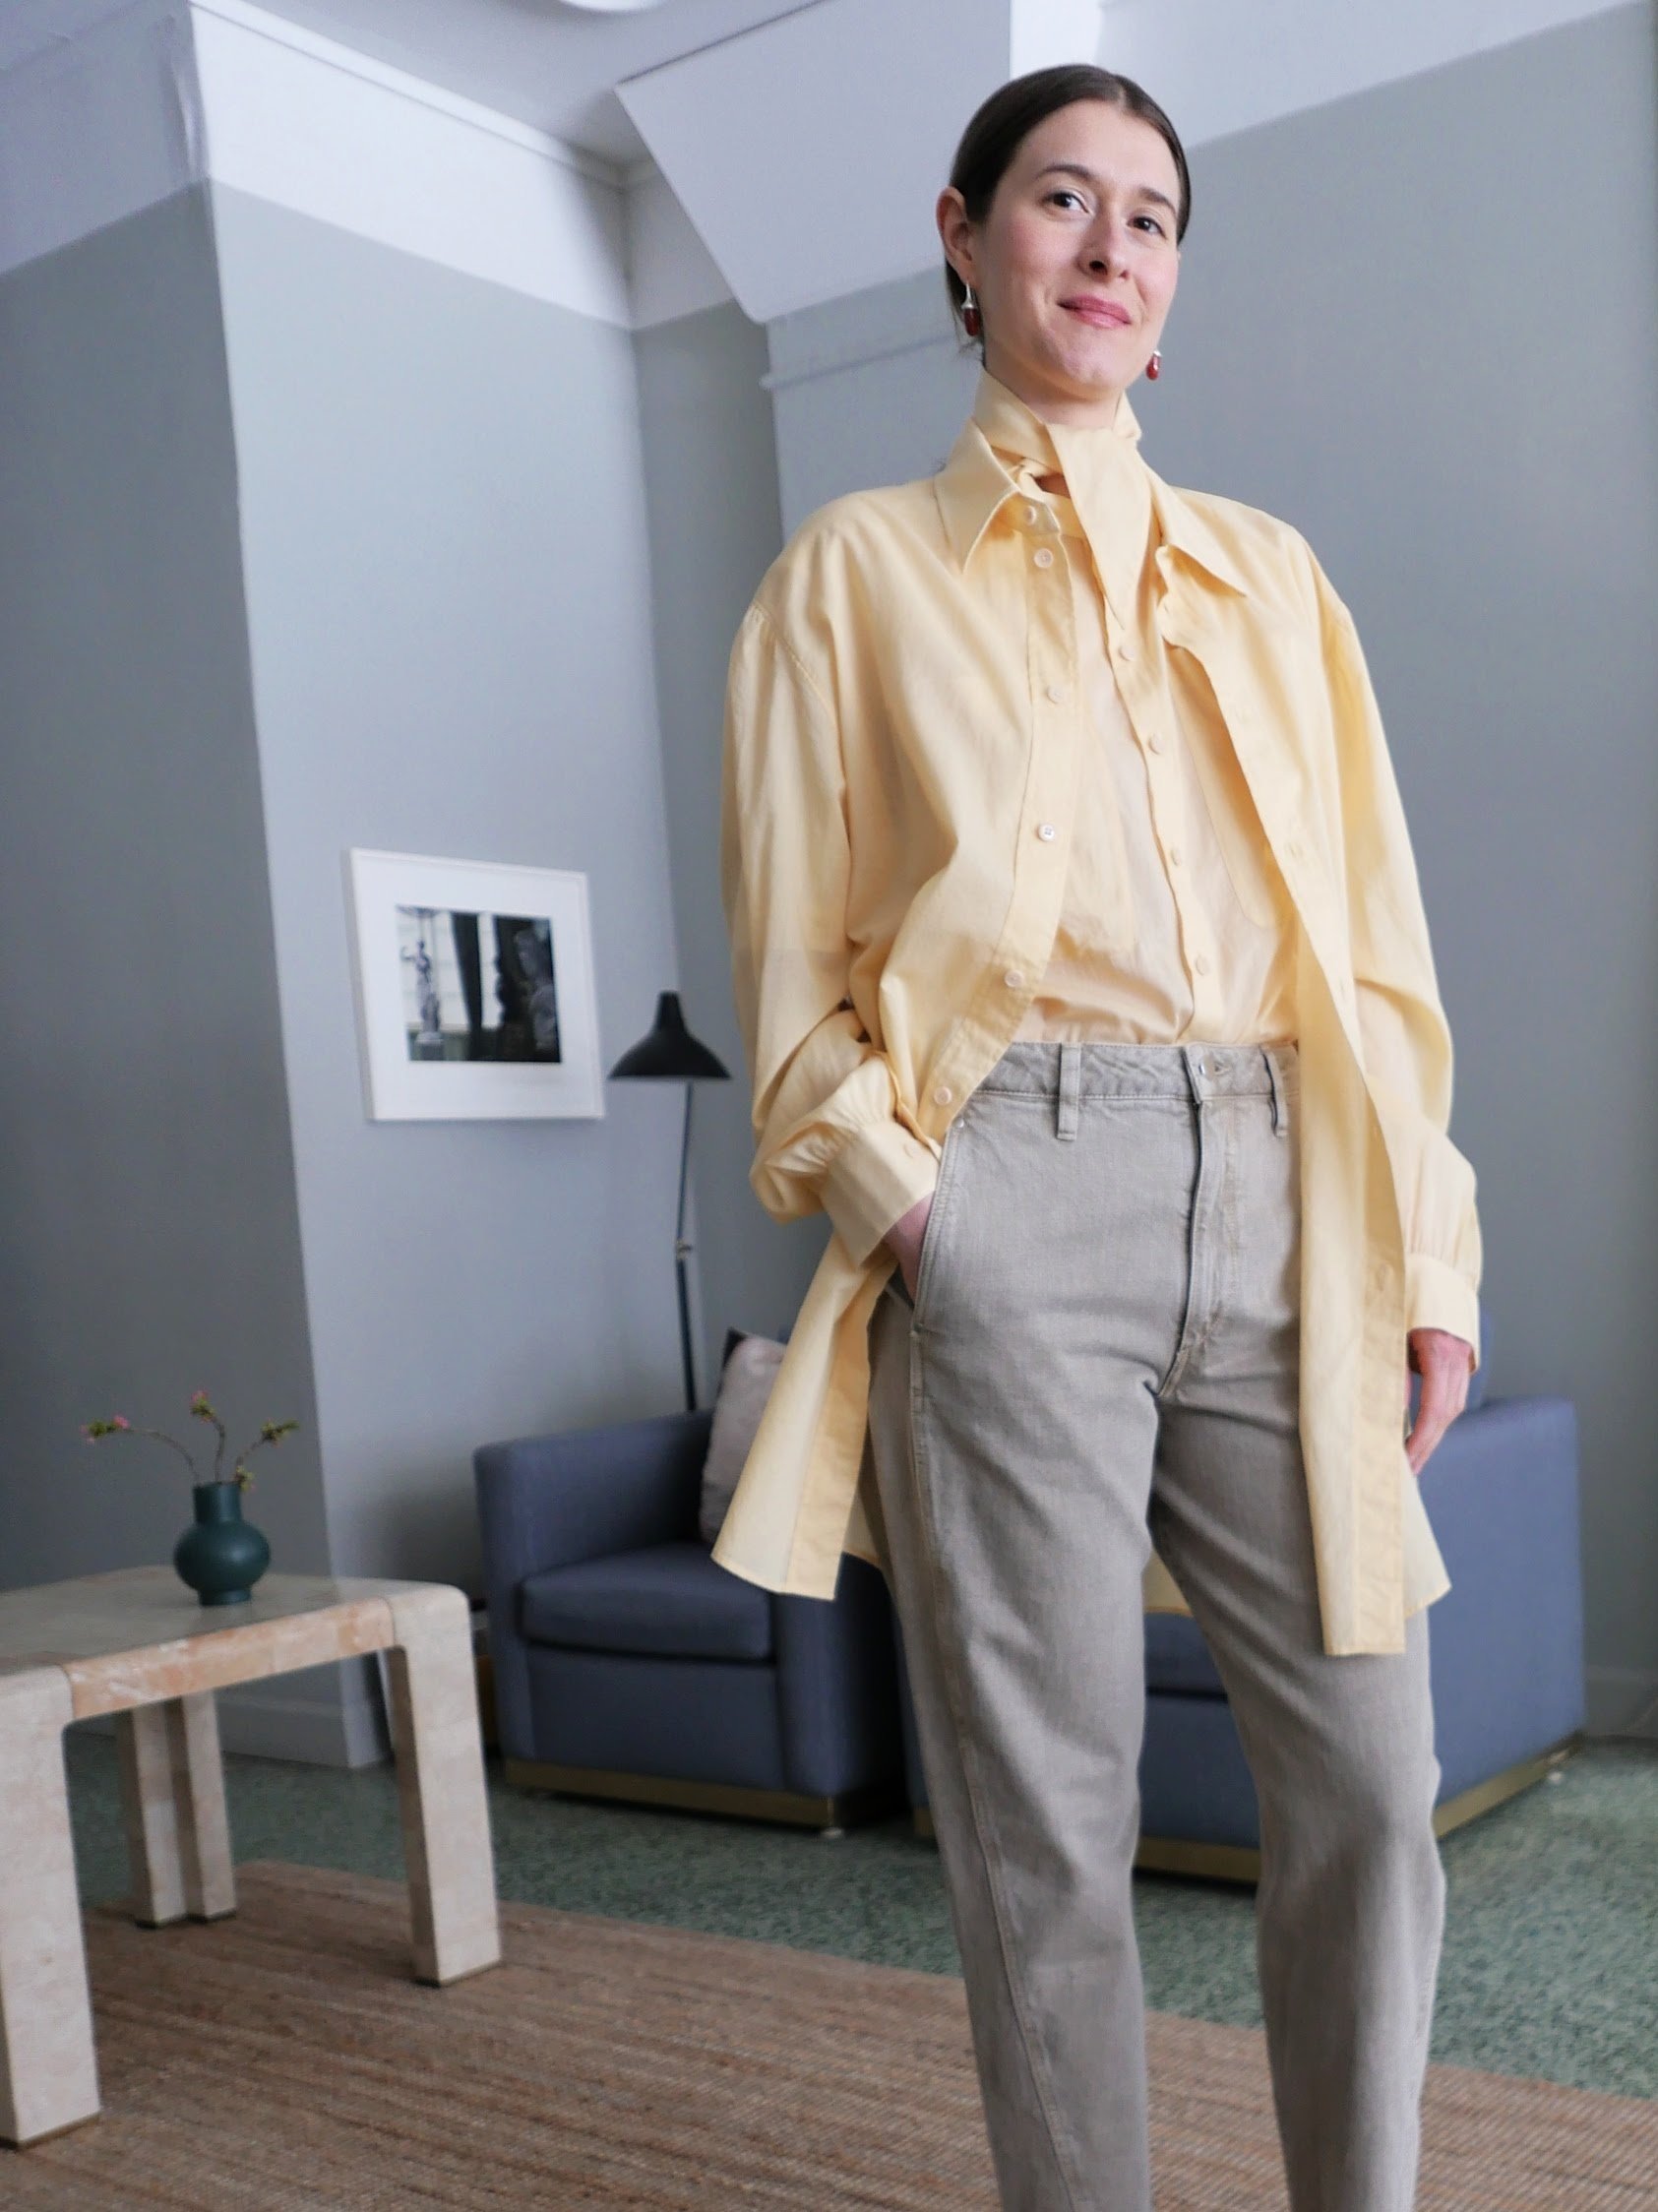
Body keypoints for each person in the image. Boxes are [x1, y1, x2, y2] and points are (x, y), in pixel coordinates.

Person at [714, 60, 1482, 2212]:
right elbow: (791, 992)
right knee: (1046, 1818)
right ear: (963, 240)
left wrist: (1427, 1257)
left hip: (1289, 1198)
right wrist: (924, 1213)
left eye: (1149, 217)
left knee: (1372, 1782)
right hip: (1007, 1197)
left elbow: (1381, 965)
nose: (1110, 247)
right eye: (1061, 199)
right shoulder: (849, 577)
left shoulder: (1274, 578)